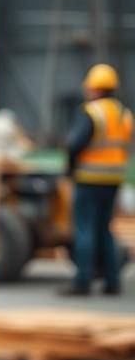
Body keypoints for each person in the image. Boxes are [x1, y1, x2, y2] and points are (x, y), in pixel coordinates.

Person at [62, 63, 133, 296]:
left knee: (85, 229)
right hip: (113, 180)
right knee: (105, 229)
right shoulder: (124, 113)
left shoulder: (92, 112)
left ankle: (83, 281)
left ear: (93, 88)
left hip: (89, 178)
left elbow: (74, 144)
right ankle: (112, 281)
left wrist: (69, 169)